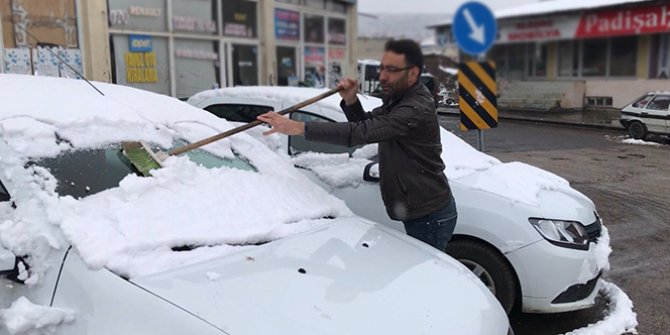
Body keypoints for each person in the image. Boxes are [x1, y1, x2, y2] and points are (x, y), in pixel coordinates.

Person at [257, 39, 457, 252]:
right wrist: (351, 101)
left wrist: (300, 128)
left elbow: (362, 133)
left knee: (425, 279)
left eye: (391, 69)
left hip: (429, 216)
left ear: (413, 73)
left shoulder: (414, 108)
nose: (382, 76)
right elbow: (367, 125)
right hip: (419, 210)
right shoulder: (399, 100)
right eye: (381, 68)